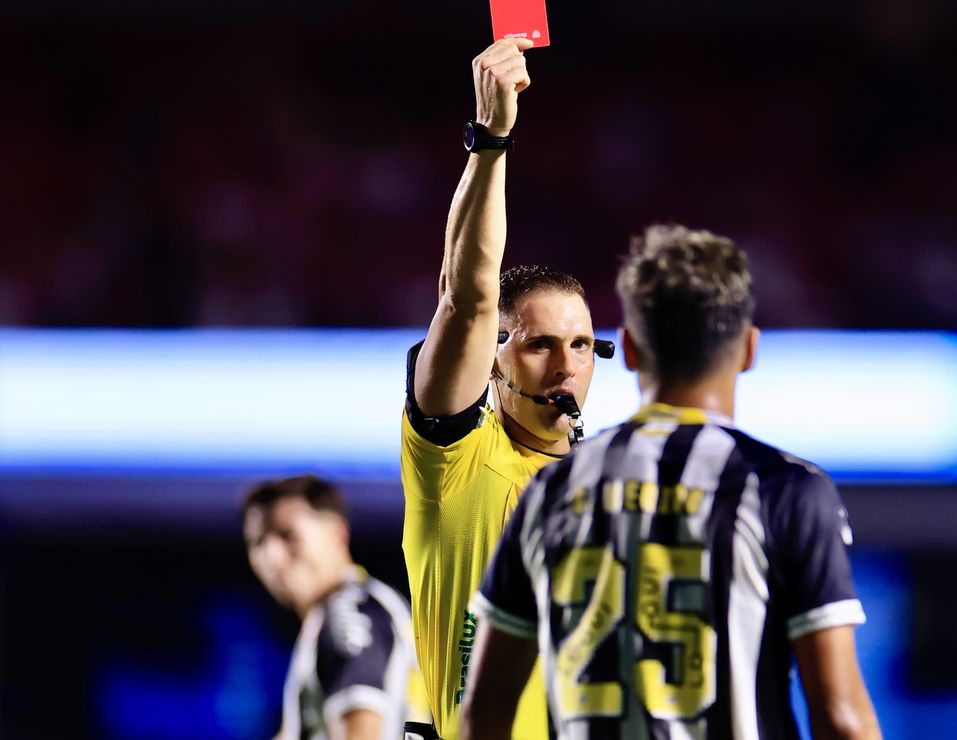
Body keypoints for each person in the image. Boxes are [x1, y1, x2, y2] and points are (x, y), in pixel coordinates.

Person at [461, 226, 882, 739]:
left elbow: (483, 714)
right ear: (749, 350)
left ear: (631, 349)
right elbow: (840, 714)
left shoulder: (552, 491)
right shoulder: (785, 489)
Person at [400, 38, 613, 740]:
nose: (565, 365)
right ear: (495, 361)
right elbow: (466, 297)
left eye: (582, 345)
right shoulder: (455, 458)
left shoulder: (616, 484)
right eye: (539, 343)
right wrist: (490, 140)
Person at [242, 474, 431, 740]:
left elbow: (362, 728)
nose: (271, 557)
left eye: (287, 535)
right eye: (258, 542)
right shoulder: (354, 606)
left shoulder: (347, 612)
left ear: (337, 533)